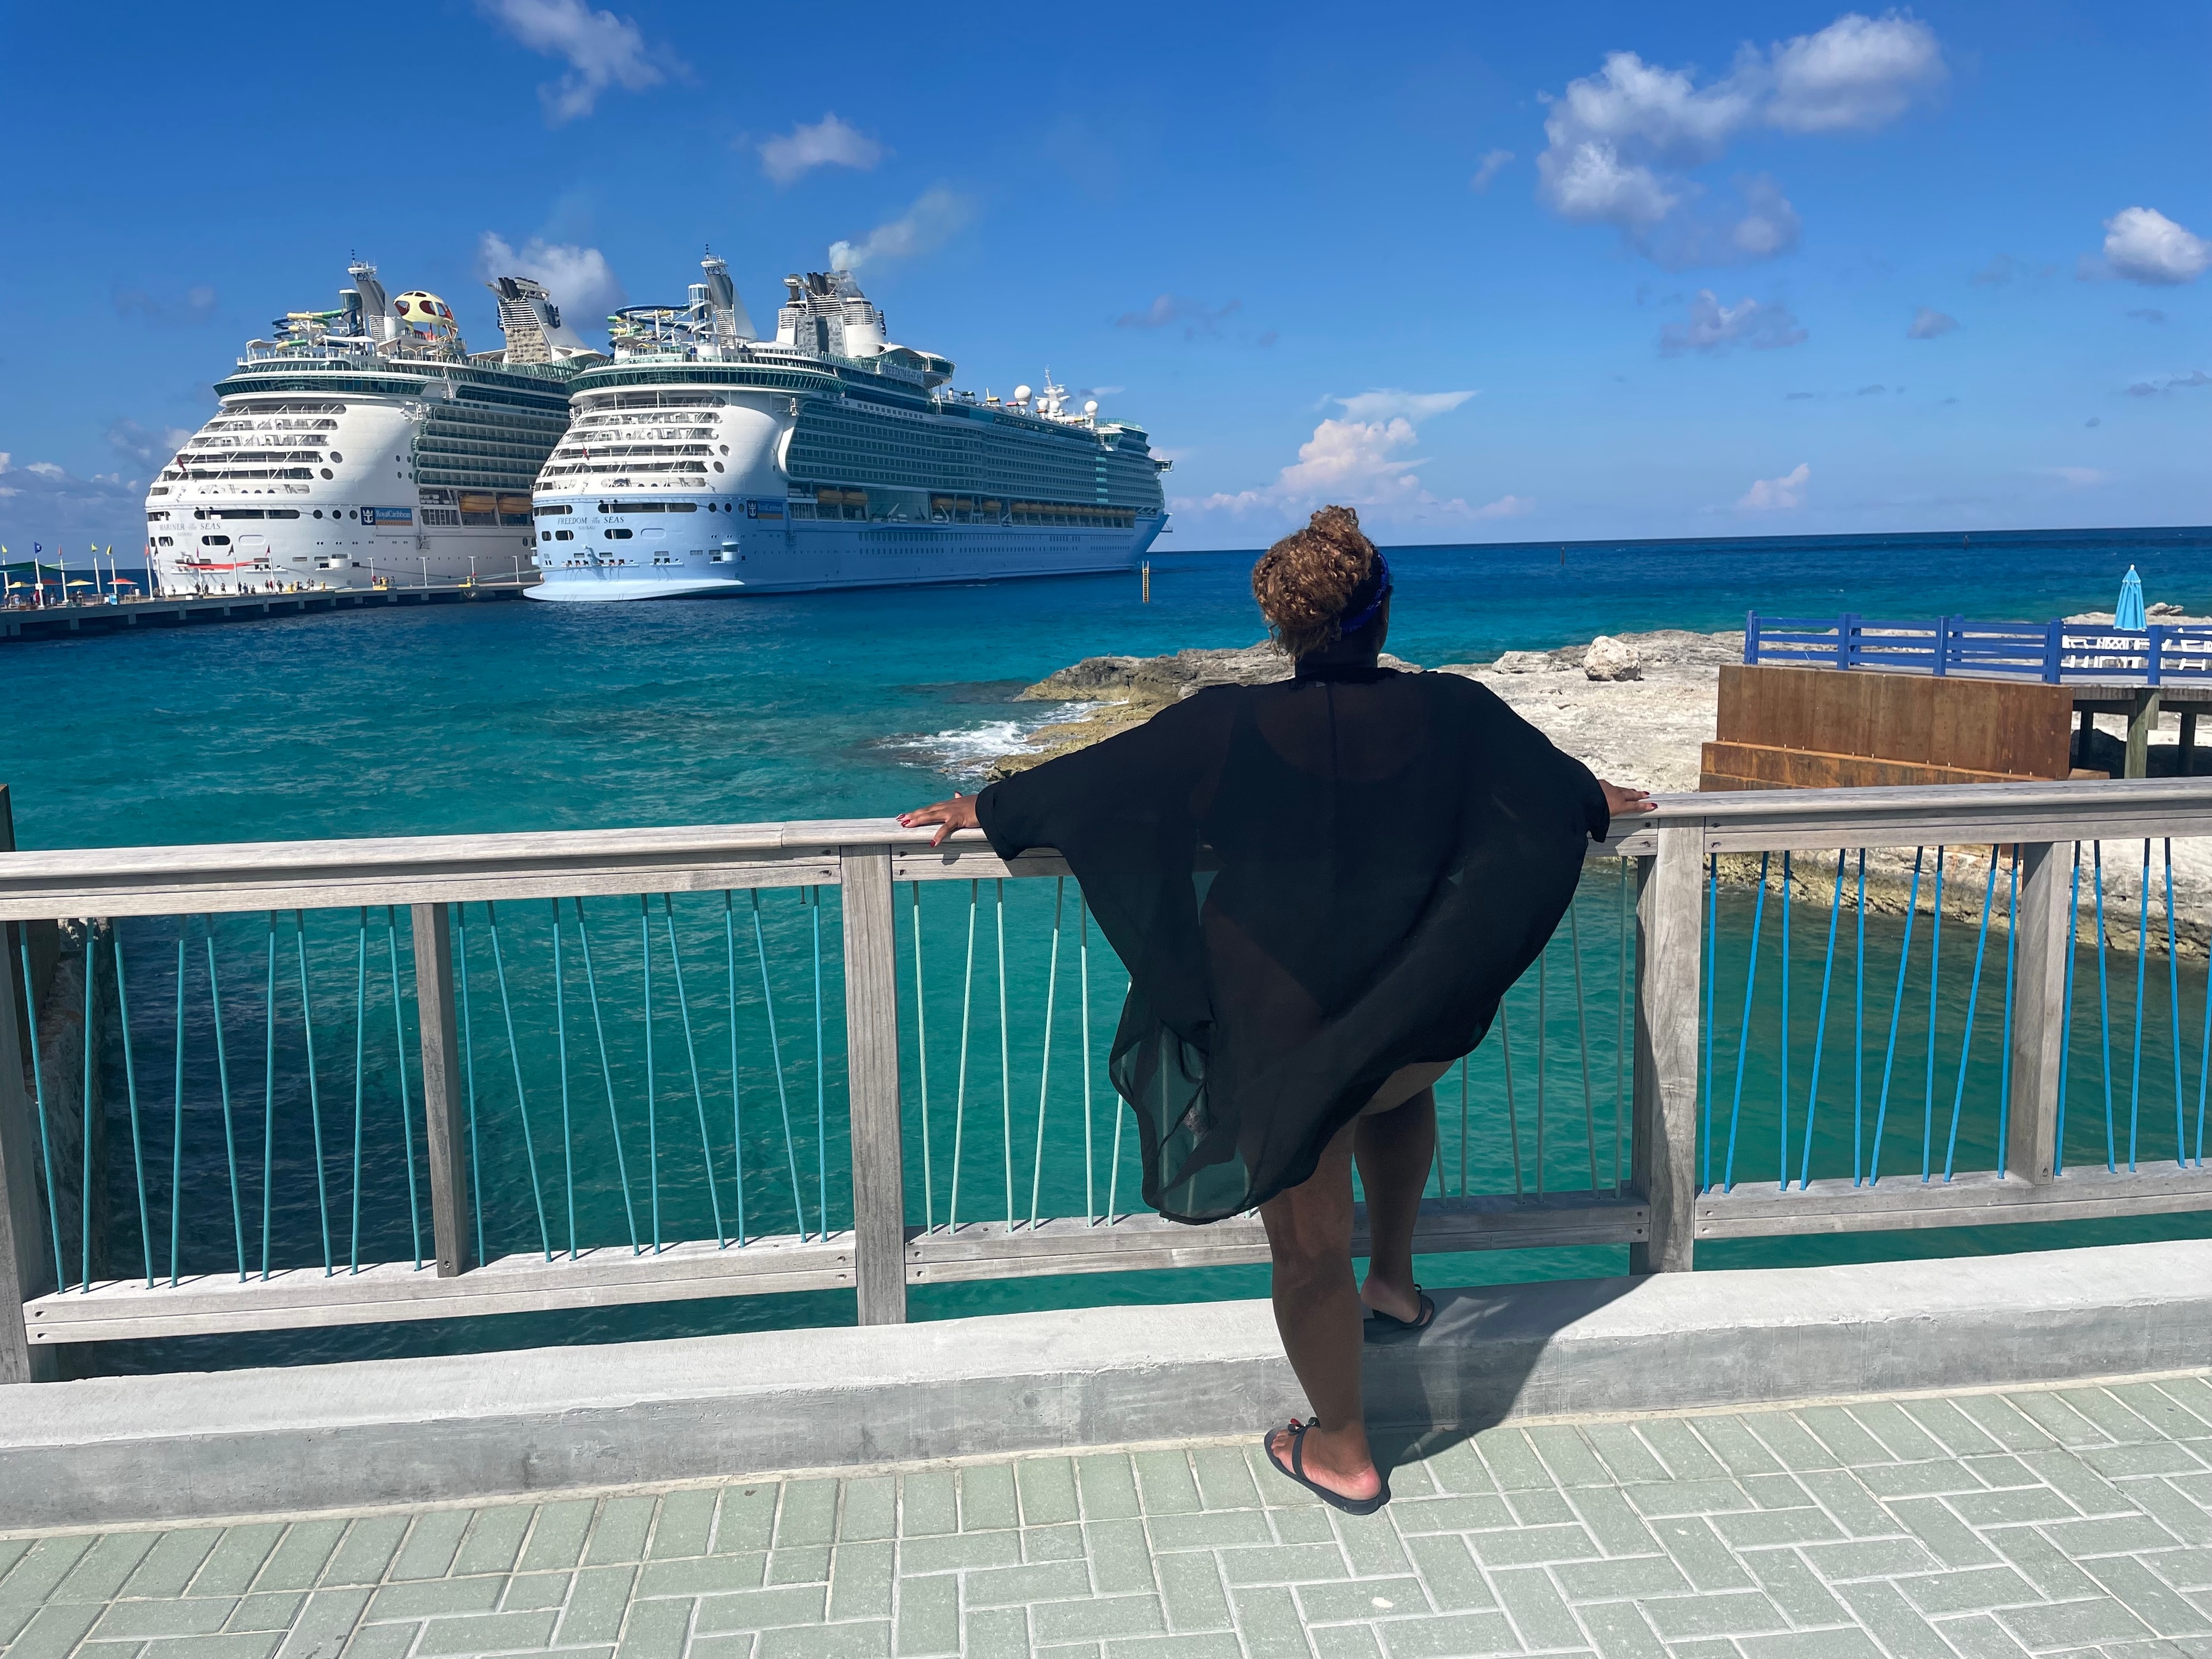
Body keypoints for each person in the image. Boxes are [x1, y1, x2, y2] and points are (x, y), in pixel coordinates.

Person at [901, 505, 1653, 1513]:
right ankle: (1392, 1277)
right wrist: (1596, 797)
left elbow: (1090, 789)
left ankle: (1341, 1447)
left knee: (1305, 1244)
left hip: (1282, 1015)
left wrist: (981, 808)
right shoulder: (1460, 712)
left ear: (1284, 630)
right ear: (1381, 615)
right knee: (1388, 1096)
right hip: (1405, 1004)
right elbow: (1554, 791)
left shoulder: (1222, 725)